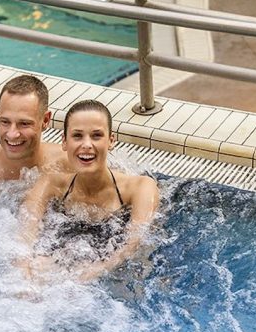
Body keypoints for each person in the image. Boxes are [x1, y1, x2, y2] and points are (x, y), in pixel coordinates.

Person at [18, 99, 160, 283]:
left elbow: (133, 245)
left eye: (96, 136)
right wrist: (24, 273)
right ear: (64, 142)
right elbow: (24, 233)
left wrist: (91, 274)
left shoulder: (140, 188)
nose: (86, 145)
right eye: (77, 136)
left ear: (110, 141)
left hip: (111, 274)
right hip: (65, 258)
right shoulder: (50, 183)